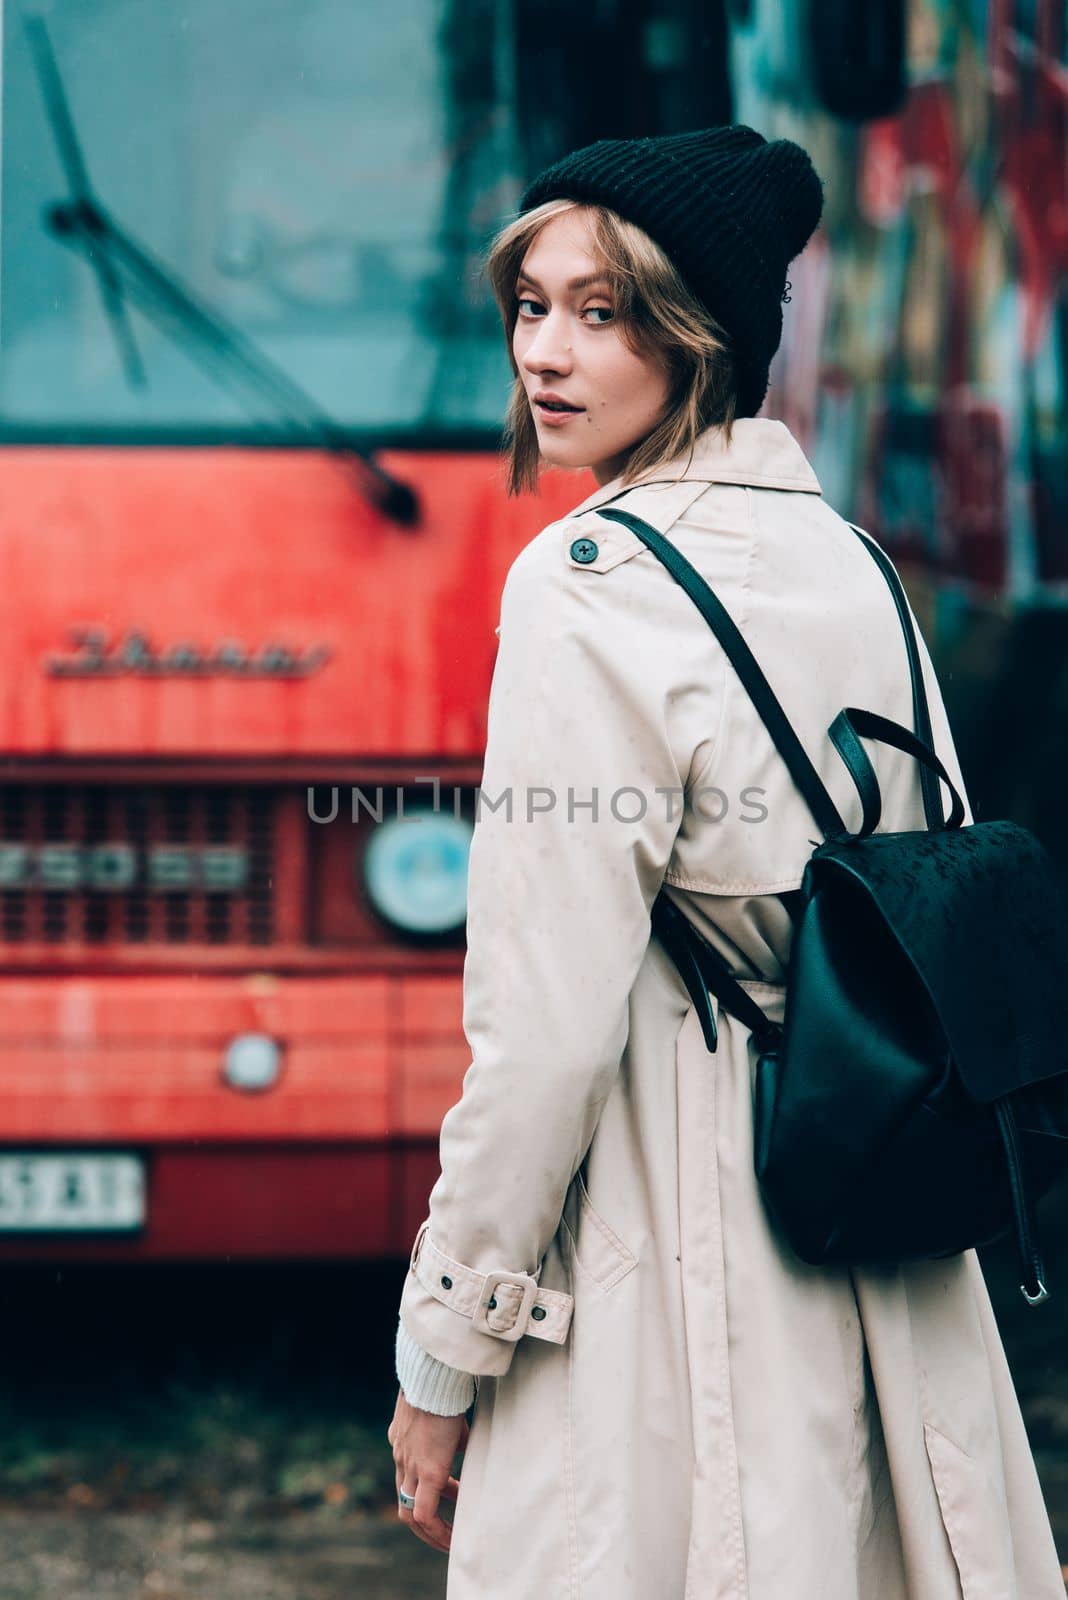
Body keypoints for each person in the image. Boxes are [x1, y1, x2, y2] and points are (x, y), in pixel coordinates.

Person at [386, 125, 1065, 1598]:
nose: (545, 354)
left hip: (681, 1241)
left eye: (604, 309)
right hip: (884, 1225)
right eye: (531, 304)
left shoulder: (590, 590)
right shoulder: (852, 559)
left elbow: (542, 1038)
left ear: (701, 337)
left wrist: (447, 1351)